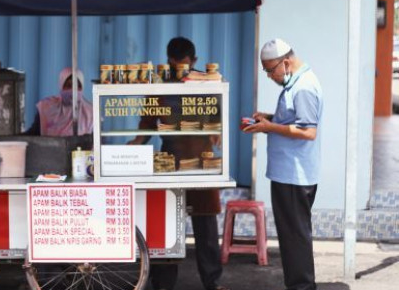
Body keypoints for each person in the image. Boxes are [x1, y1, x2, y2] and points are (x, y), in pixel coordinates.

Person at [127, 37, 227, 290]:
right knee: (166, 227)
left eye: (185, 66)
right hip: (169, 166)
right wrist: (131, 146)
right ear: (168, 62)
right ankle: (162, 283)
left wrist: (218, 133)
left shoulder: (206, 85)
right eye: (175, 66)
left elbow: (218, 122)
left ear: (194, 61)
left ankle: (212, 282)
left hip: (202, 167)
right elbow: (147, 126)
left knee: (206, 227)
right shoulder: (159, 88)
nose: (180, 71)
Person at [244, 39, 322, 290]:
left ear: (285, 62)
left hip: (294, 175)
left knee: (295, 238)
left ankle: (302, 287)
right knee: (291, 238)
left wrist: (270, 126)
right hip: (288, 174)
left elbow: (308, 131)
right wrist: (269, 119)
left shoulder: (304, 87)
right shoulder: (295, 84)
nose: (269, 76)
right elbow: (293, 121)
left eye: (270, 70)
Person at [24, 67, 93, 136]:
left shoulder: (91, 112)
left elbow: (97, 140)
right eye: (68, 85)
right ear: (61, 86)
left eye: (77, 86)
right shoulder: (47, 108)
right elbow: (33, 134)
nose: (73, 90)